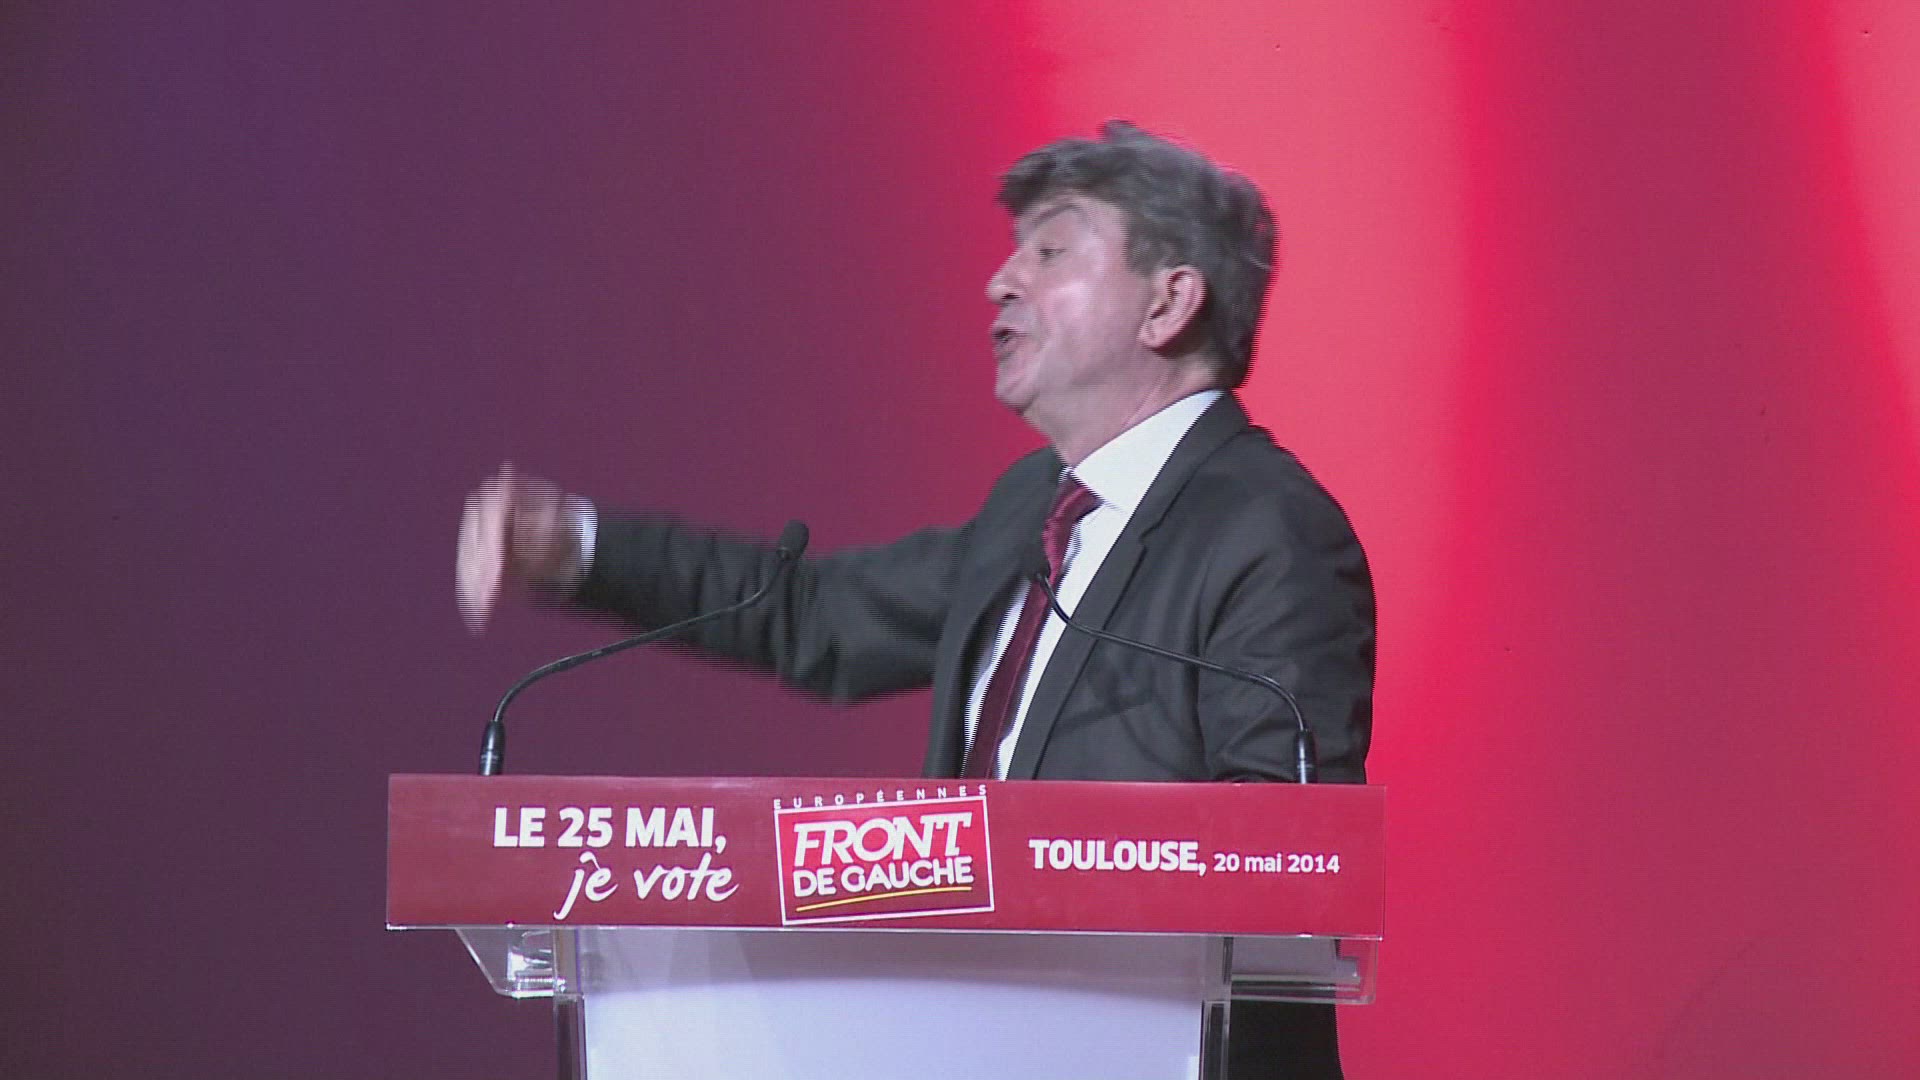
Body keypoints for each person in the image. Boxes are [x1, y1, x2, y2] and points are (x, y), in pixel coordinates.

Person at [458, 121, 1374, 1078]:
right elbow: (813, 616)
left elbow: (1286, 857)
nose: (1001, 281)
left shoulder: (1267, 526)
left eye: (1052, 251)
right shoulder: (1032, 510)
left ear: (1168, 303)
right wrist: (580, 548)